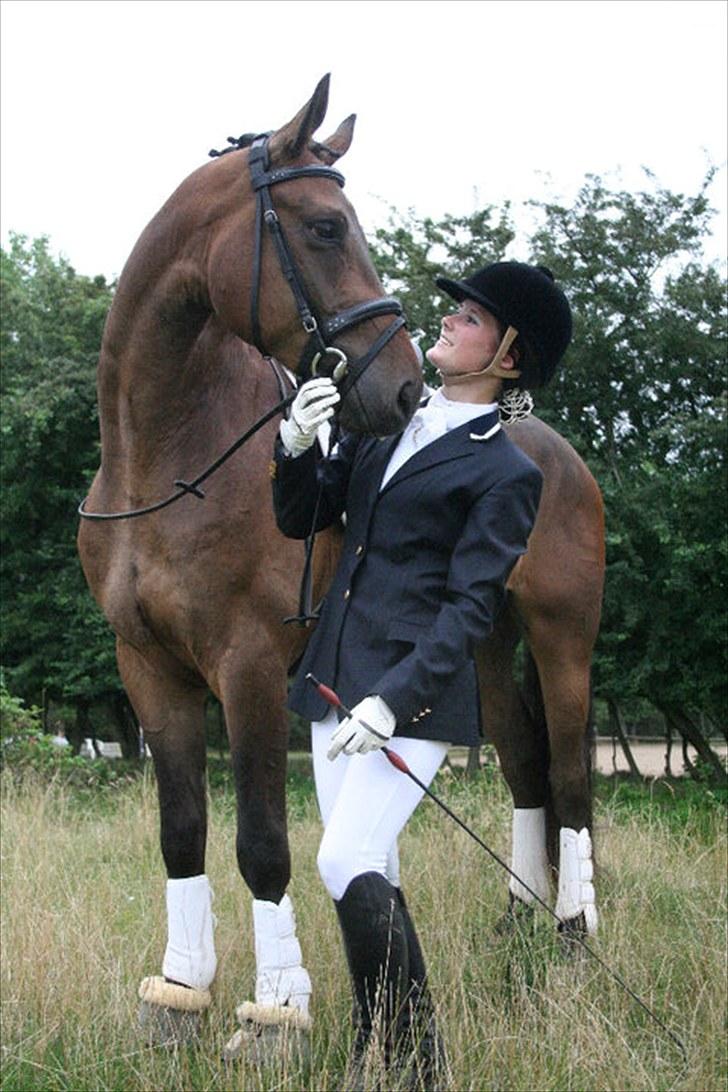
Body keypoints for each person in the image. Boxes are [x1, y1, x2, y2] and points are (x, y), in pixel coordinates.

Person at [271, 261, 572, 1086]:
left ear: (507, 357)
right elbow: (302, 516)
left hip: (411, 699)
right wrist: (293, 445)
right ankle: (380, 1057)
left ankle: (421, 1067)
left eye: (471, 318)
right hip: (335, 679)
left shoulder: (507, 473)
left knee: (343, 860)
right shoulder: (382, 426)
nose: (449, 321)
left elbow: (470, 610)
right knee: (369, 869)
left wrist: (393, 702)